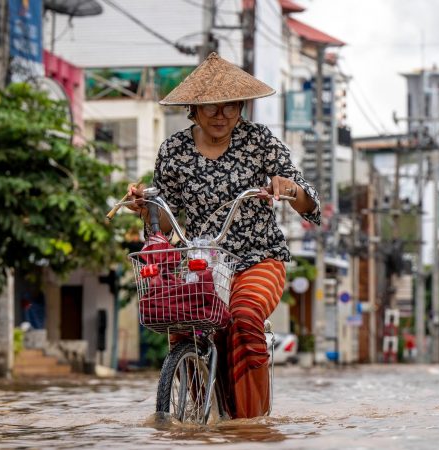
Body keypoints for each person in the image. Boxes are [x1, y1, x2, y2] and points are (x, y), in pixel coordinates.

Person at [127, 53, 320, 418]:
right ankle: (195, 415)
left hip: (258, 258)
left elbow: (308, 200)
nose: (221, 116)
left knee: (244, 318)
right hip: (203, 262)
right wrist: (148, 206)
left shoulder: (259, 141)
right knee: (184, 326)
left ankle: (250, 425)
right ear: (193, 110)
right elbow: (166, 220)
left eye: (230, 107)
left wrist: (289, 188)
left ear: (241, 107)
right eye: (211, 108)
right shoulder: (173, 151)